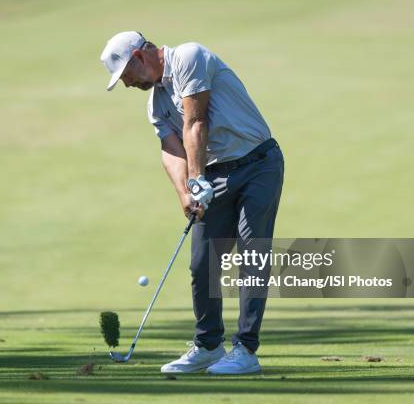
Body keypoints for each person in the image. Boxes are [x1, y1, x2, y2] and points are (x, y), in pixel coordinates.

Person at [100, 31, 284, 375]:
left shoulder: (188, 56)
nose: (126, 84)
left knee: (251, 253)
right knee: (202, 264)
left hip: (258, 164)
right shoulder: (155, 102)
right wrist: (186, 192)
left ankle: (245, 350)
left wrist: (197, 178)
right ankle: (209, 346)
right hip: (214, 176)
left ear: (140, 56)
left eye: (126, 75)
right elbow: (171, 149)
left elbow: (196, 120)